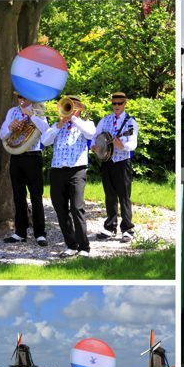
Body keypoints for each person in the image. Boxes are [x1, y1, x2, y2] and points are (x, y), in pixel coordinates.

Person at [41, 95, 96, 258]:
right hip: (57, 171)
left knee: (77, 208)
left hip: (77, 171)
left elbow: (91, 133)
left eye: (74, 106)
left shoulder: (86, 124)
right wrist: (59, 124)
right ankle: (71, 245)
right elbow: (45, 140)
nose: (70, 109)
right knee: (60, 209)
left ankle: (84, 247)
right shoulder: (57, 126)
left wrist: (73, 119)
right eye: (69, 106)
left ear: (79, 108)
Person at [0, 92, 50, 247]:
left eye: (24, 97)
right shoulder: (11, 112)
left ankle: (40, 233)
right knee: (18, 196)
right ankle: (20, 232)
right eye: (19, 97)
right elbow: (2, 134)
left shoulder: (39, 110)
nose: (21, 100)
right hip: (16, 156)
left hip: (33, 156)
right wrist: (10, 127)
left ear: (31, 97)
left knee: (36, 196)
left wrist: (31, 115)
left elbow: (46, 130)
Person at [93, 92, 139, 243]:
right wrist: (96, 146)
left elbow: (133, 143)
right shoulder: (105, 120)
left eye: (120, 103)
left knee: (124, 196)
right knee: (110, 196)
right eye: (114, 103)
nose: (117, 106)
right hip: (107, 162)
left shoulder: (130, 122)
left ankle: (127, 229)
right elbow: (95, 136)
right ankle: (110, 227)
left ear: (125, 104)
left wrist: (123, 145)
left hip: (122, 163)